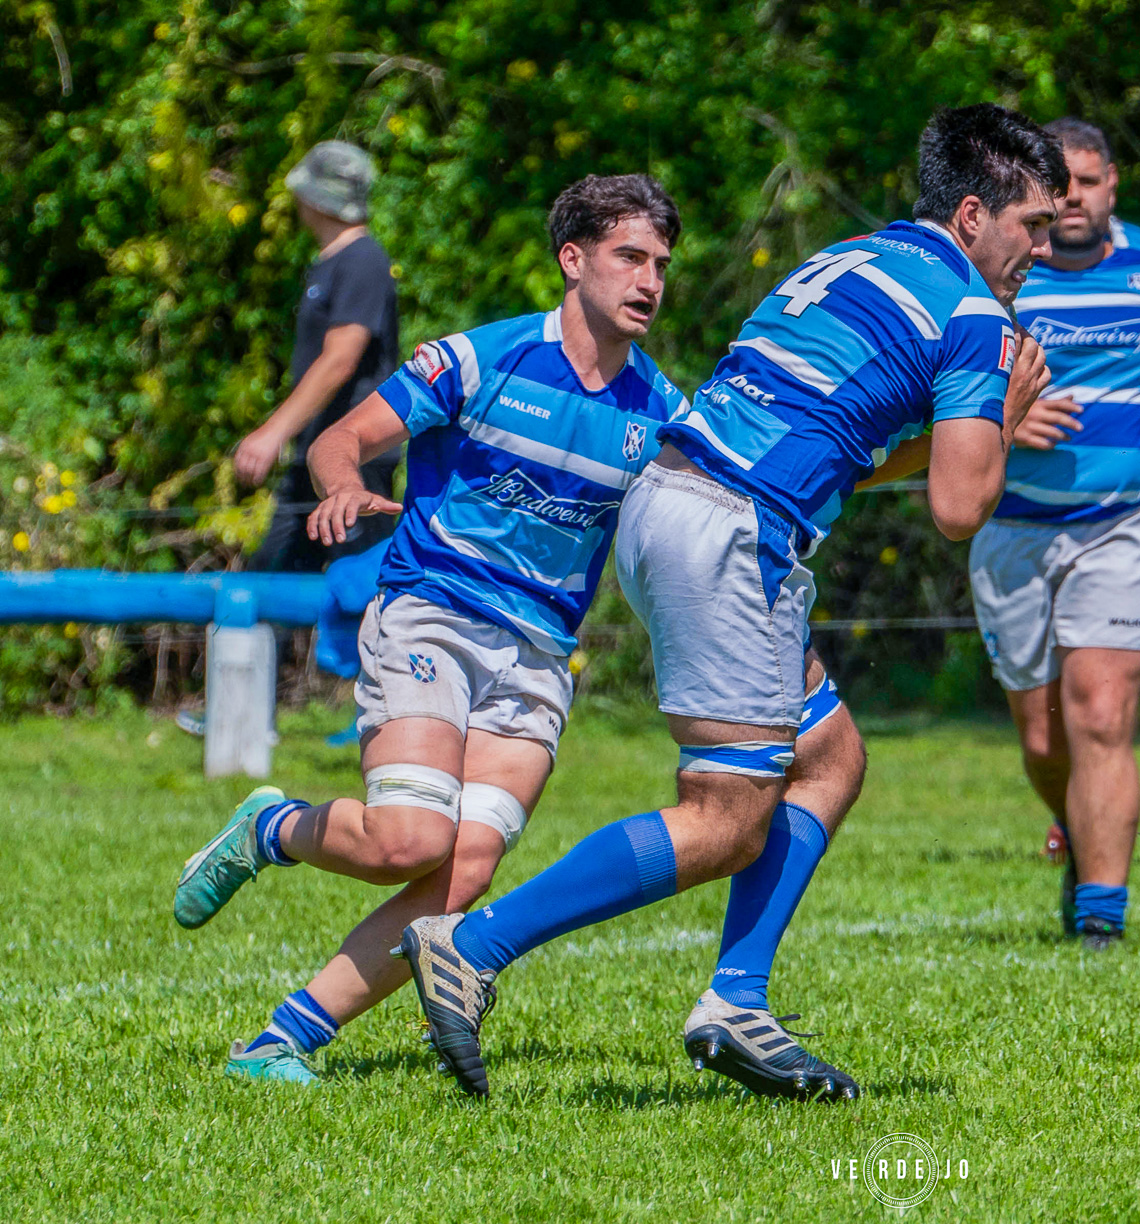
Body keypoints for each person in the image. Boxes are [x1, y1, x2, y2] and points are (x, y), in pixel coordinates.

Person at [394, 102, 1063, 1100]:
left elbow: (845, 450)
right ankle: (473, 945)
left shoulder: (856, 262)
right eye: (1035, 226)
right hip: (731, 536)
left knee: (829, 757)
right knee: (725, 818)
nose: (1043, 252)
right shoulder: (973, 318)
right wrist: (1002, 418)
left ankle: (738, 1001)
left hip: (687, 502)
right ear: (973, 214)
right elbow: (961, 508)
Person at [171, 174, 692, 1085]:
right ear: (573, 261)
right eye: (630, 257)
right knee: (408, 842)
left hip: (535, 658)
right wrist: (339, 487)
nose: (650, 280)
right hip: (434, 615)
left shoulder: (659, 415)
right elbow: (340, 439)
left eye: (661, 264)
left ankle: (281, 1042)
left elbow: (755, 489)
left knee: (463, 871)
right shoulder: (478, 362)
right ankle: (275, 828)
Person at [973, 118, 1140, 950]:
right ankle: (1080, 843)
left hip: (1129, 522)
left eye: (1088, 182)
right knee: (1044, 736)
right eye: (1059, 187)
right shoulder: (996, 275)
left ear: (1113, 183)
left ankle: (1101, 919)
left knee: (1100, 710)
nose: (1074, 199)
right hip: (1012, 526)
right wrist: (1005, 420)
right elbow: (930, 387)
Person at [238, 140, 401, 569]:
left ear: (320, 197)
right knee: (267, 585)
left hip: (353, 459)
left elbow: (341, 358)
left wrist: (273, 431)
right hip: (313, 455)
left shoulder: (363, 259)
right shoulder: (331, 262)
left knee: (365, 588)